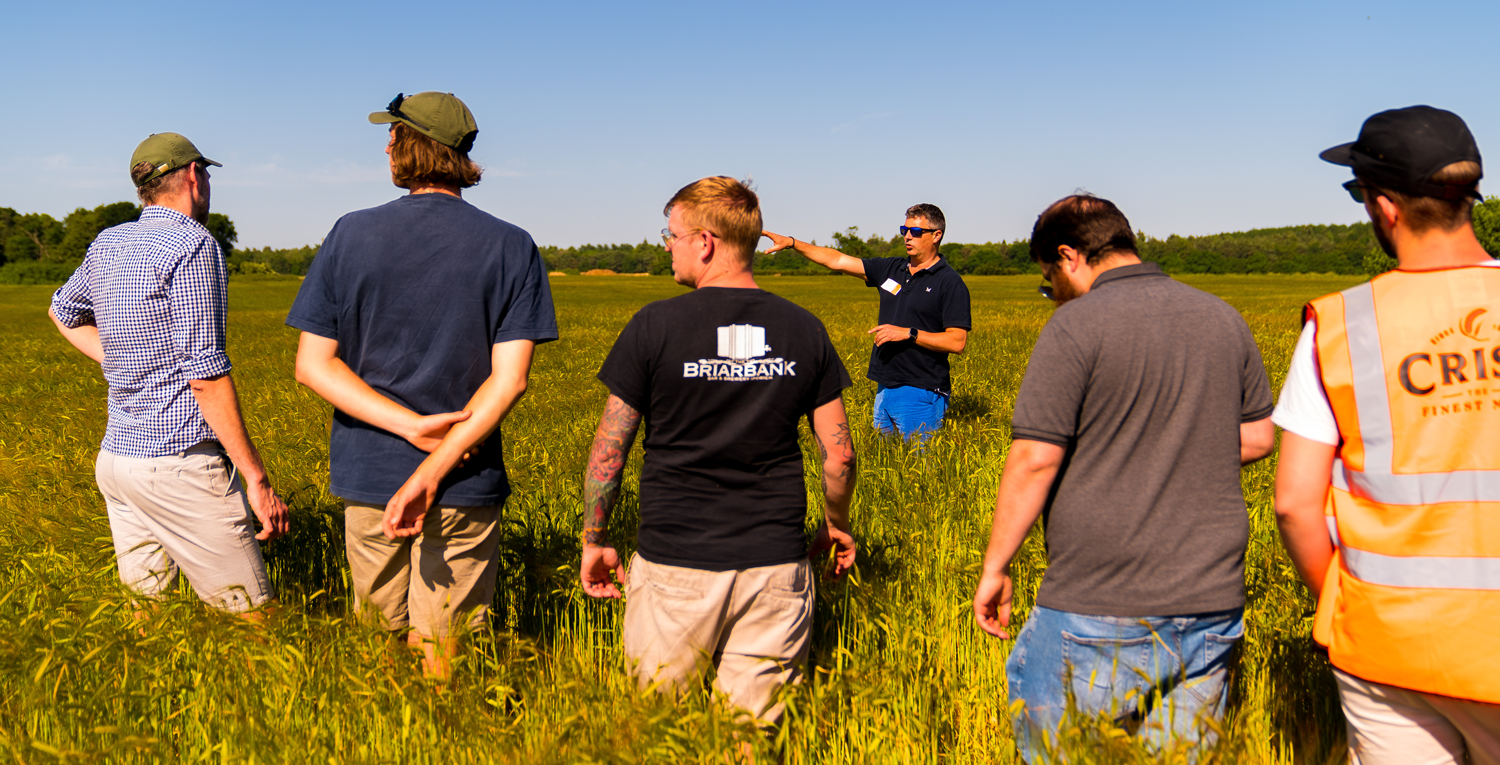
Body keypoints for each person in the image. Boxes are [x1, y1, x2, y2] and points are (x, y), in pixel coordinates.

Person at [971, 195, 1275, 761]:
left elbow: (1035, 458)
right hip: (1211, 601)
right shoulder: (1221, 316)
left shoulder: (1075, 326)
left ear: (1069, 256)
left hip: (1102, 596)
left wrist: (996, 567)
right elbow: (1258, 437)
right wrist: (1175, 446)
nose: (1053, 294)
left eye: (1048, 280)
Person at [287, 92, 557, 678]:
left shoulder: (350, 233)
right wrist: (440, 452)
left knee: (375, 641)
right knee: (446, 647)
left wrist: (408, 428)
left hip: (370, 475)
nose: (385, 144)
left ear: (410, 145)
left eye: (392, 134)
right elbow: (510, 381)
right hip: (465, 473)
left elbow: (313, 365)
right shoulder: (512, 244)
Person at [579, 176, 857, 730]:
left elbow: (611, 446)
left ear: (704, 242)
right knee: (750, 738)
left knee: (659, 731)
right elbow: (841, 454)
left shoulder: (654, 326)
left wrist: (595, 537)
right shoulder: (803, 329)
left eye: (672, 234)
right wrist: (834, 523)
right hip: (775, 566)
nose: (668, 245)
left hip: (674, 564)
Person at [1273, 105, 1500, 765]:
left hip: (1390, 644)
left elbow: (1294, 502)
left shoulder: (1342, 325)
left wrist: (1340, 607)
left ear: (1385, 208)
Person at [49, 132, 289, 618]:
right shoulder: (195, 245)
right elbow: (204, 374)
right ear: (196, 177)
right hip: (178, 465)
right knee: (254, 622)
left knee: (149, 620)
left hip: (117, 462)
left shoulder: (110, 240)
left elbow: (61, 310)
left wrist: (121, 357)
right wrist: (257, 479)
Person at [762, 203, 970, 438]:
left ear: (936, 236)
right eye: (905, 230)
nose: (907, 236)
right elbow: (837, 260)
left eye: (916, 231)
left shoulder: (950, 283)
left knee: (921, 470)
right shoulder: (892, 268)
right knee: (888, 467)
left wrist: (908, 333)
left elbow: (957, 342)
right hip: (884, 389)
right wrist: (792, 243)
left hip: (922, 391)